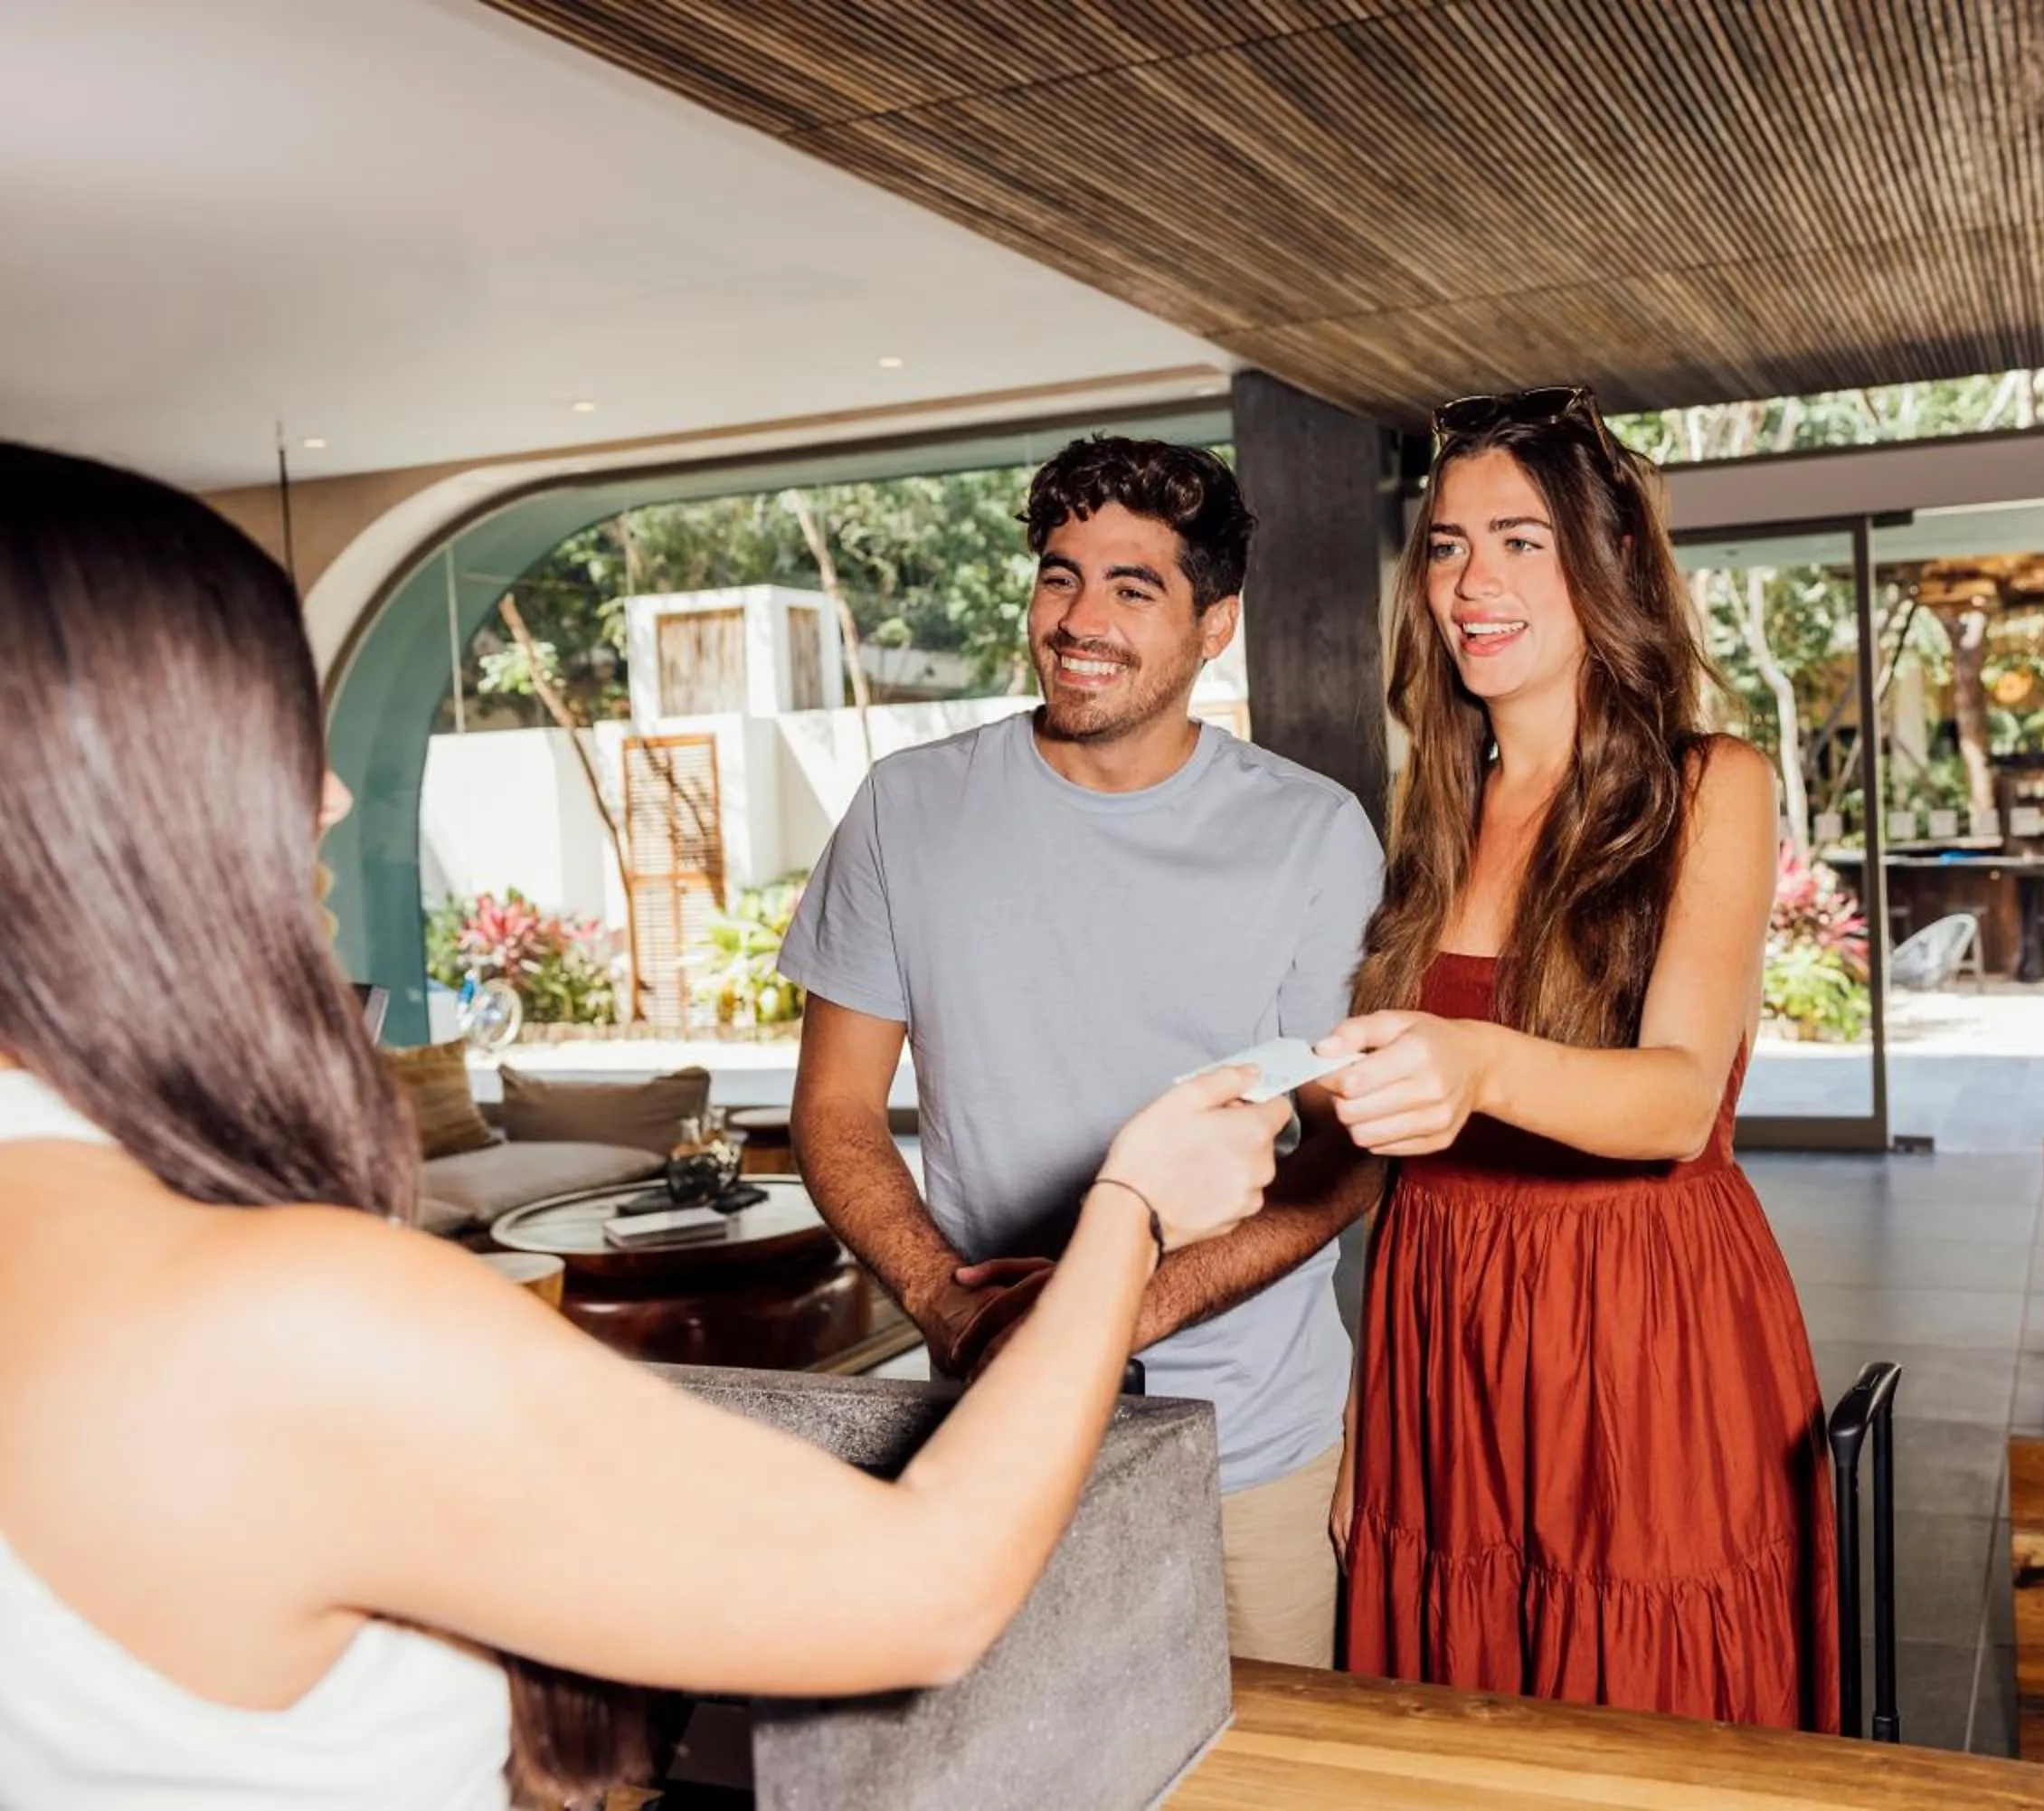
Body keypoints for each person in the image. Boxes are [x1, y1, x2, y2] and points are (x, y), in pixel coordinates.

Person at [0, 441, 1290, 1808]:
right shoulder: (283, 1319)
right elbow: (928, 1586)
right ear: (111, 794)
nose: (327, 796)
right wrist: (1131, 1205)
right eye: (267, 726)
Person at [780, 435, 1386, 1668]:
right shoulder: (909, 808)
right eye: (1061, 576)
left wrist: (1114, 1313)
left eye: (1133, 586)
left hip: (1250, 1442)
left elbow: (1348, 1156)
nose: (1081, 618)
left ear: (1214, 625)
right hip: (993, 1426)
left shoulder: (1311, 833)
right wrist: (949, 1303)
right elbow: (837, 1111)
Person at [1321, 386, 1841, 1731]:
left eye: (1519, 541)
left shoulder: (1709, 781)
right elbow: (1405, 1136)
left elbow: (1677, 1095)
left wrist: (1474, 1064)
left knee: (1641, 1712)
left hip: (1638, 1321)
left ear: (1604, 569)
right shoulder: (1439, 798)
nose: (1470, 581)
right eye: (1445, 545)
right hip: (1445, 1319)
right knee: (1472, 1706)